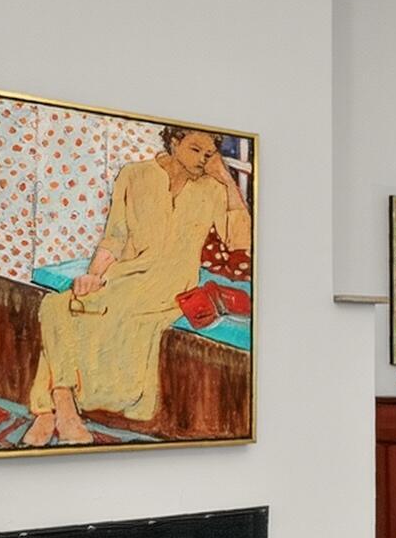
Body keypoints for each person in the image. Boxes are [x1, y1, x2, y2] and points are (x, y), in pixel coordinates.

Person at [22, 126, 250, 445]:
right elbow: (114, 237)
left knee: (103, 312)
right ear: (173, 142)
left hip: (170, 284)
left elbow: (241, 240)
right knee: (57, 304)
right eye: (195, 150)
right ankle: (59, 408)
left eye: (209, 154)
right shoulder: (134, 175)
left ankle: (51, 412)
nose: (203, 159)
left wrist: (224, 176)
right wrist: (94, 274)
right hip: (128, 273)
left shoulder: (213, 189)